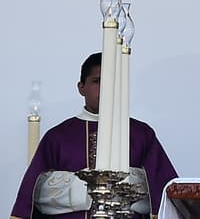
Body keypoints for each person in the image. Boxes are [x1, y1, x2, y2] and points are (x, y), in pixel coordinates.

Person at [10, 53, 178, 219]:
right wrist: (105, 187)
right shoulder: (57, 137)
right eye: (97, 81)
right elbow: (35, 194)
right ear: (81, 87)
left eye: (112, 82)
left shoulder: (141, 134)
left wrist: (83, 186)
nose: (105, 88)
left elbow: (165, 193)